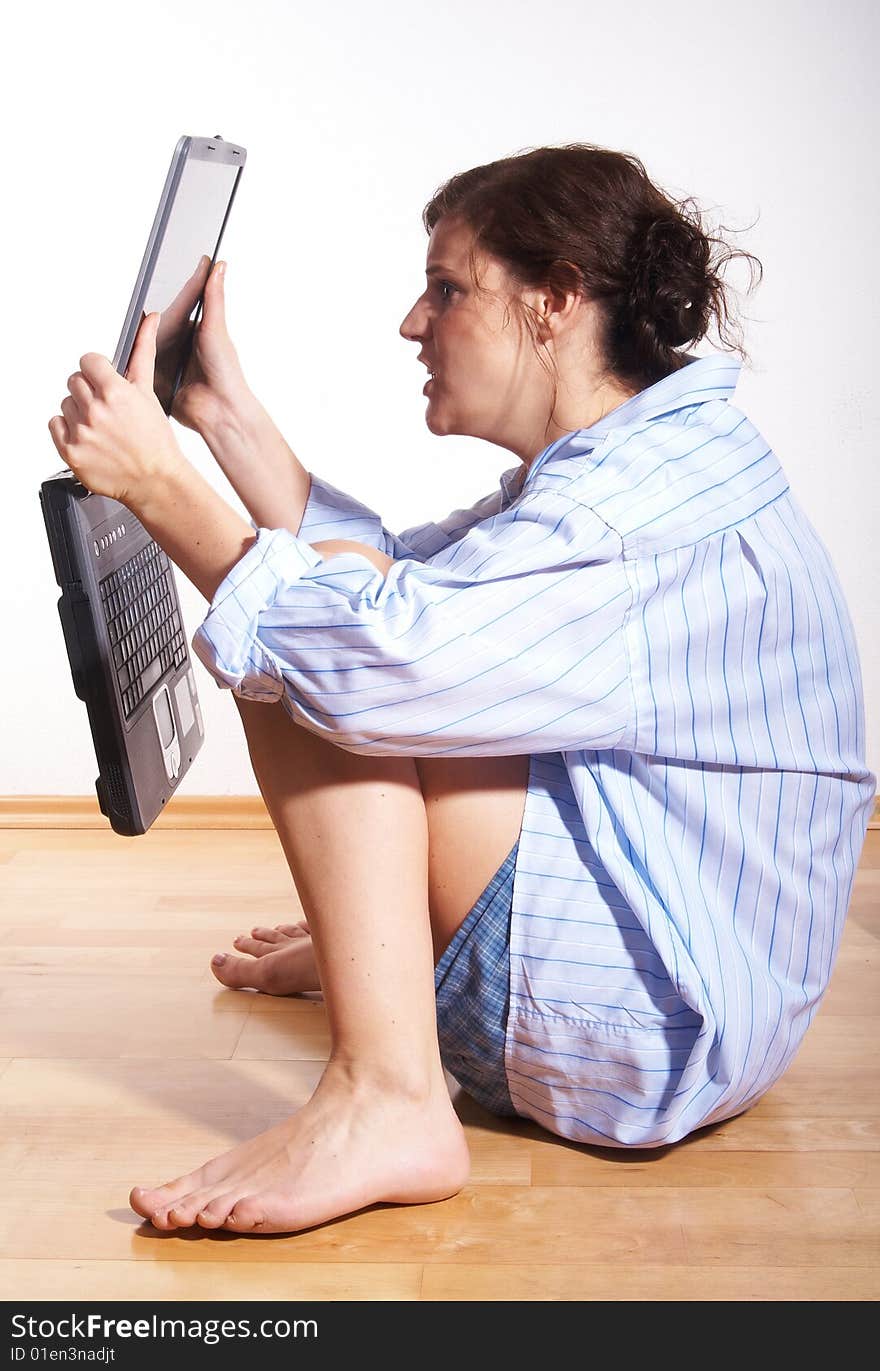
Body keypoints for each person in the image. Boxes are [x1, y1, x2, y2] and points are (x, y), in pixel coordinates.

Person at [48, 143, 876, 1236]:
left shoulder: (619, 523)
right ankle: (391, 948)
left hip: (645, 1034)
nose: (411, 323)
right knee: (338, 611)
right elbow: (417, 590)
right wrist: (221, 416)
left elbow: (361, 651)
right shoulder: (653, 460)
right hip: (715, 993)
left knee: (311, 649)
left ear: (555, 301)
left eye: (447, 290)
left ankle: (386, 1096)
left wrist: (158, 485)